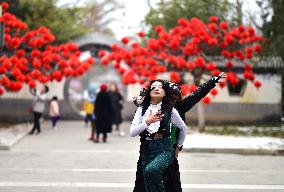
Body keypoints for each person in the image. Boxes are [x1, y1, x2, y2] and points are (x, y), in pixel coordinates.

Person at [132, 72, 226, 192]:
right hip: (148, 149)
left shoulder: (179, 107)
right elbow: (139, 114)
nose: (175, 96)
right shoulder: (151, 105)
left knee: (170, 181)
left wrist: (213, 80)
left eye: (176, 93)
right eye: (173, 93)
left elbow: (198, 93)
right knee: (144, 180)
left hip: (168, 148)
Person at [130, 79, 187, 192]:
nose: (156, 88)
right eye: (153, 87)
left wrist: (178, 146)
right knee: (148, 182)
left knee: (151, 170)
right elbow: (132, 132)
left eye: (160, 87)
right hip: (147, 149)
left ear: (165, 93)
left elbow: (183, 128)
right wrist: (147, 122)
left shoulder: (170, 110)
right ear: (149, 92)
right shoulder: (142, 110)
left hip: (164, 149)